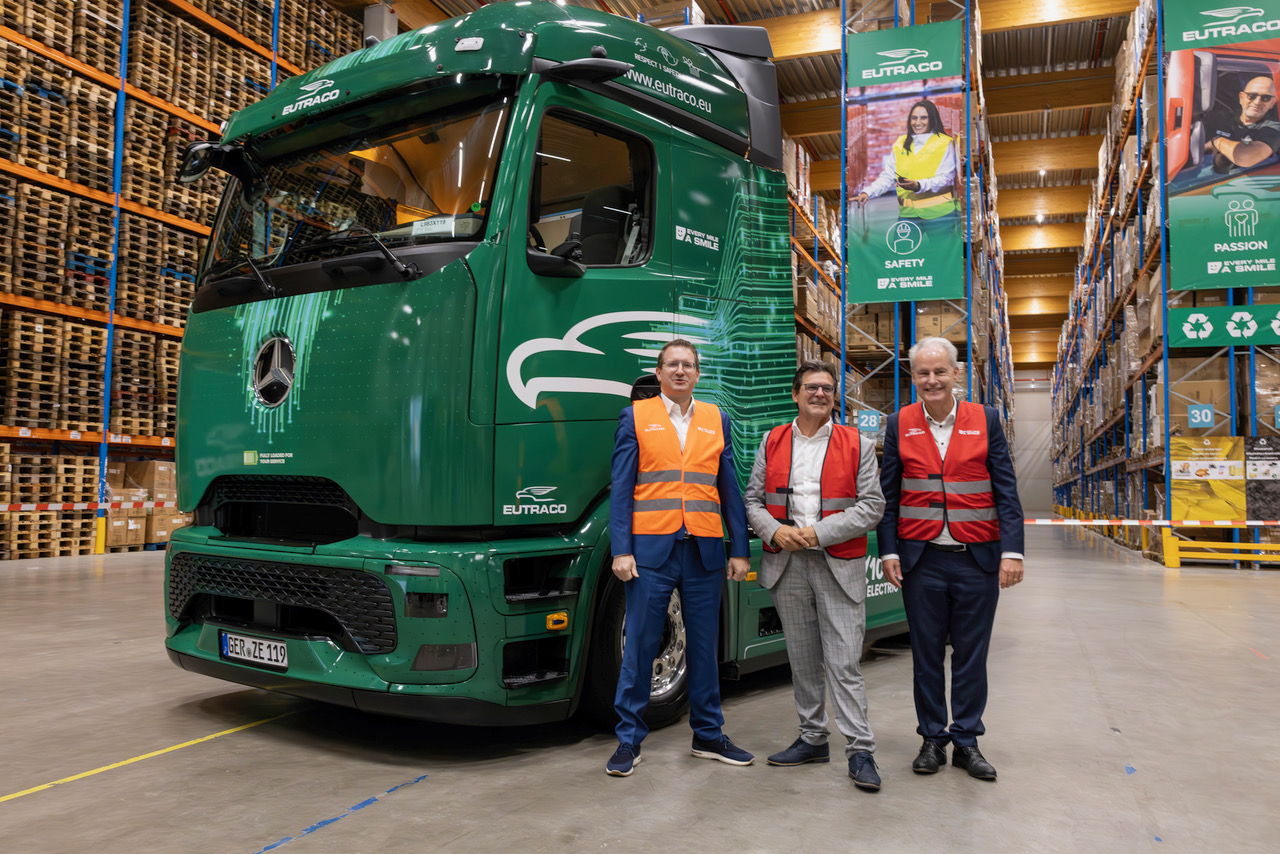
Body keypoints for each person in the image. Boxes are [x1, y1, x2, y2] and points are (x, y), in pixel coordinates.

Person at [876, 337, 1024, 781]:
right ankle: (931, 739)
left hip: (976, 559)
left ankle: (967, 740)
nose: (932, 380)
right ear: (913, 376)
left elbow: (1006, 491)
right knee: (925, 655)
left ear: (956, 374)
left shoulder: (987, 420)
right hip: (922, 560)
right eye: (923, 373)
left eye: (940, 371)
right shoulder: (899, 422)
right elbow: (889, 496)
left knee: (971, 655)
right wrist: (888, 549)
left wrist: (1012, 551)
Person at [605, 339, 752, 777]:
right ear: (659, 372)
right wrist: (621, 549)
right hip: (651, 552)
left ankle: (708, 734)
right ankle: (628, 741)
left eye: (688, 365)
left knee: (705, 648)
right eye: (673, 364)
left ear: (698, 373)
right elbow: (622, 488)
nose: (681, 371)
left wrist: (739, 549)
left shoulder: (715, 419)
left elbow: (730, 487)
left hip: (704, 550)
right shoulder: (636, 417)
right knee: (641, 647)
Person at [744, 361, 887, 792]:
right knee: (803, 659)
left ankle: (860, 749)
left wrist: (815, 534)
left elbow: (871, 506)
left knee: (843, 662)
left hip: (836, 562)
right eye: (811, 387)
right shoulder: (772, 441)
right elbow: (752, 500)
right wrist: (775, 530)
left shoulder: (857, 444)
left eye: (826, 388)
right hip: (786, 565)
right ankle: (812, 738)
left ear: (833, 396)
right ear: (795, 394)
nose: (819, 394)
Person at [853, 99, 958, 220]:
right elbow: (888, 176)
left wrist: (918, 185)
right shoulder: (901, 142)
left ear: (932, 119)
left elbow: (947, 178)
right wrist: (868, 192)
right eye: (914, 118)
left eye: (923, 118)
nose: (917, 122)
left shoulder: (945, 143)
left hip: (940, 214)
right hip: (908, 214)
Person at [1203, 75, 1280, 172]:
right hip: (1197, 178)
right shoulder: (1219, 118)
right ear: (1241, 97)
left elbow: (1246, 157)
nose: (1257, 102)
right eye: (1252, 96)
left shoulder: (1274, 128)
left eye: (1265, 98)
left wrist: (1216, 142)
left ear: (1272, 103)